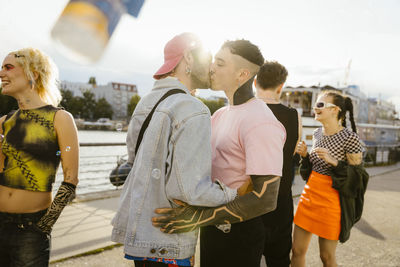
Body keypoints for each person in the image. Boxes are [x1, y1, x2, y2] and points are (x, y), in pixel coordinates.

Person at [152, 40, 286, 267]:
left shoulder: (261, 121)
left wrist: (197, 218)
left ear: (242, 74)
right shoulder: (220, 114)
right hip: (211, 228)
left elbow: (266, 199)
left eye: (220, 63)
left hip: (239, 235)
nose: (211, 67)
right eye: (213, 60)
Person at [110, 33, 237, 267]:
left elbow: (135, 162)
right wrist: (234, 194)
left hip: (143, 235)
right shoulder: (193, 109)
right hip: (169, 240)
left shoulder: (146, 102)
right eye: (208, 58)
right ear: (188, 57)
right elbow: (191, 191)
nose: (211, 67)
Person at [0, 48, 79, 266]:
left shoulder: (60, 118)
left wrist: (44, 226)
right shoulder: (4, 122)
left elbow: (71, 179)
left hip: (31, 231)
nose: (1, 73)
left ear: (33, 73)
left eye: (8, 67)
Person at [291, 90, 369, 267]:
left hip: (331, 203)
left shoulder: (350, 138)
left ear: (335, 110)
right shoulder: (318, 133)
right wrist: (305, 156)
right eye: (315, 105)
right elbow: (311, 171)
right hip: (309, 197)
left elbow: (358, 178)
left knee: (326, 257)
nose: (315, 108)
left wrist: (335, 162)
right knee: (296, 251)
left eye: (320, 105)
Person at [255, 60, 301, 267]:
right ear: (281, 87)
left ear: (255, 82)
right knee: (279, 259)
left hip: (249, 200)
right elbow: (291, 155)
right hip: (279, 199)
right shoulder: (293, 116)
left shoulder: (243, 112)